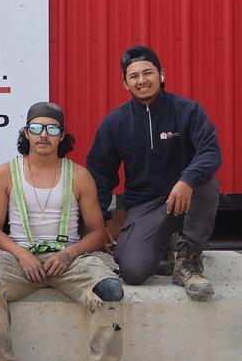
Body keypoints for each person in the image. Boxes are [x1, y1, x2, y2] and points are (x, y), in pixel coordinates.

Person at [0, 101, 128, 361]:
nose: (43, 134)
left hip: (67, 258)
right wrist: (22, 255)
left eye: (52, 128)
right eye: (36, 128)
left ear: (62, 135)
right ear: (26, 133)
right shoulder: (6, 173)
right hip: (18, 256)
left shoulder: (79, 176)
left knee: (110, 290)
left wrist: (69, 253)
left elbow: (97, 233)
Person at [86, 45, 221, 301]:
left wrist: (187, 180)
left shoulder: (188, 111)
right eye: (134, 76)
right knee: (133, 270)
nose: (142, 80)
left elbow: (210, 152)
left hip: (185, 199)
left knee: (206, 183)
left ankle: (188, 263)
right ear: (125, 83)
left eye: (147, 73)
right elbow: (100, 175)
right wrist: (99, 219)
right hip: (145, 206)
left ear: (161, 74)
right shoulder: (115, 123)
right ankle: (165, 244)